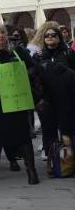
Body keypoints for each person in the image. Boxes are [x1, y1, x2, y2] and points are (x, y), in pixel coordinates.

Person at [0, 22, 40, 185]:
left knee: (23, 135)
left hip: (16, 98)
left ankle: (31, 171)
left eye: (3, 32)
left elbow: (34, 68)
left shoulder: (17, 50)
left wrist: (22, 73)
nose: (1, 36)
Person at [34, 24, 75, 158]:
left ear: (59, 37)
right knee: (48, 133)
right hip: (47, 100)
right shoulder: (39, 56)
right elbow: (35, 78)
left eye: (53, 35)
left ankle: (69, 161)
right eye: (47, 36)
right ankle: (52, 162)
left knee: (68, 132)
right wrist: (39, 98)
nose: (50, 37)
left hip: (67, 99)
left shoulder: (69, 53)